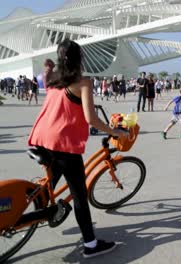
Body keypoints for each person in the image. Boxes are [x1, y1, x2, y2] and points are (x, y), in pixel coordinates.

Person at [28, 39, 125, 258]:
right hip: (63, 144)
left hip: (41, 138)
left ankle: (41, 208)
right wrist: (114, 131)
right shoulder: (83, 82)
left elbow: (46, 77)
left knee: (47, 187)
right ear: (80, 58)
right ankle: (91, 245)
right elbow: (91, 119)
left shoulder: (53, 79)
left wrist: (48, 67)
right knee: (79, 195)